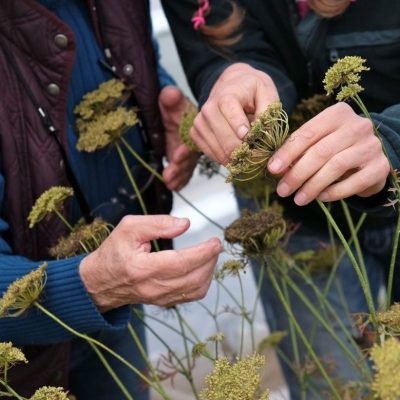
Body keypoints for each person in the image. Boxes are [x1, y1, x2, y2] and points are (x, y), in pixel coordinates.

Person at [161, 0, 400, 398]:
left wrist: (391, 137)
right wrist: (231, 74)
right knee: (335, 386)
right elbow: (223, 47)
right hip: (292, 217)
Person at [0, 1, 222, 399]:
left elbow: (123, 54)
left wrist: (159, 107)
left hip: (116, 300)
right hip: (19, 359)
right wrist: (94, 284)